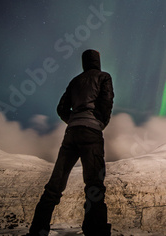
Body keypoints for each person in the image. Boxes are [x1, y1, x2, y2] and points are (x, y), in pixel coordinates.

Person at [26, 49, 114, 236]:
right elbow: (107, 101)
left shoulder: (74, 81)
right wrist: (100, 122)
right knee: (94, 184)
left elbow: (61, 107)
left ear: (84, 63)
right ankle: (95, 231)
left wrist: (73, 119)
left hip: (72, 133)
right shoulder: (103, 76)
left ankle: (37, 231)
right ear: (98, 61)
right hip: (92, 132)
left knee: (54, 186)